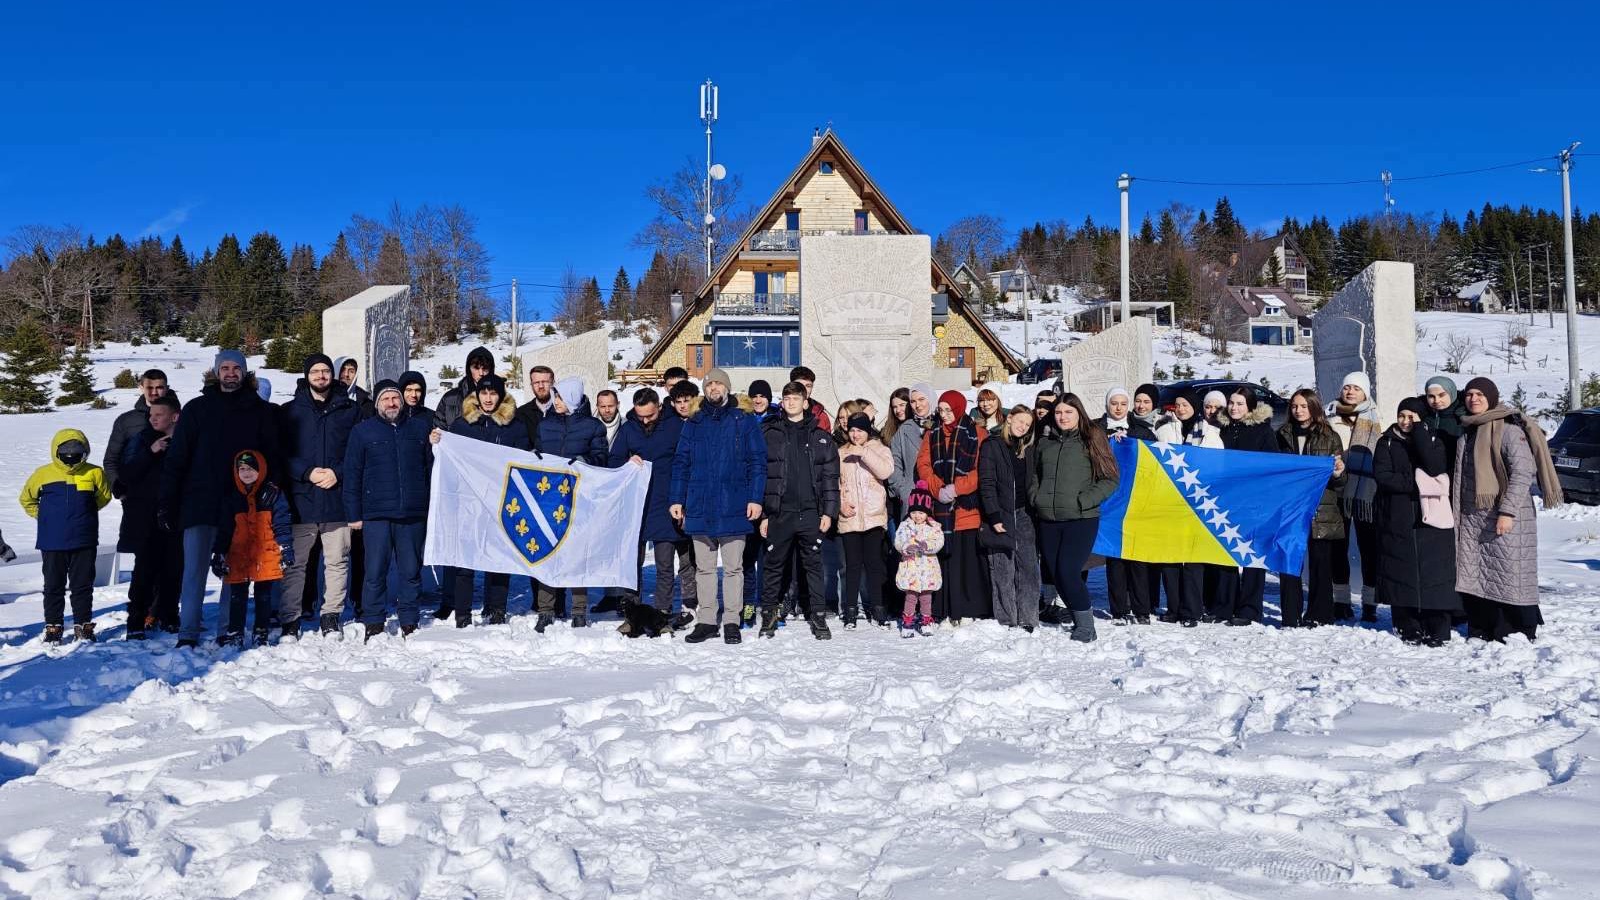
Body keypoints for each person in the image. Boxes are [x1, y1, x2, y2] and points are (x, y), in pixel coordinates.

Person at [160, 350, 281, 649]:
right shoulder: (197, 409)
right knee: (195, 570)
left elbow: (274, 454)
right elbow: (177, 458)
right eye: (224, 368)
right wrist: (167, 501)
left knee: (235, 570)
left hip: (241, 504)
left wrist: (273, 484)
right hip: (199, 501)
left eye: (235, 368)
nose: (230, 373)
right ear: (216, 372)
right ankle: (188, 631)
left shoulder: (259, 410)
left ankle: (228, 628)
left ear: (244, 372)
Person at [1454, 377, 1563, 642]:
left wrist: (1507, 512)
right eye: (1469, 394)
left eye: (1480, 394)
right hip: (1473, 517)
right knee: (1481, 574)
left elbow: (1523, 472)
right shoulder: (1468, 429)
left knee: (1509, 573)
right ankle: (1483, 627)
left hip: (1504, 515)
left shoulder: (1508, 429)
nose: (1474, 399)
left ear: (1491, 397)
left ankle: (1515, 630)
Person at [670, 367, 766, 643]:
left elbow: (757, 462)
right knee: (704, 568)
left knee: (734, 568)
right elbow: (681, 463)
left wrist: (755, 499)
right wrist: (677, 499)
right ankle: (707, 620)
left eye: (718, 384)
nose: (714, 388)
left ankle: (732, 620)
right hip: (699, 503)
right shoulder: (694, 422)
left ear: (726, 388)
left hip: (734, 502)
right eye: (709, 385)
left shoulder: (744, 420)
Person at [432, 373, 528, 626]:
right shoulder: (463, 425)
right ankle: (462, 612)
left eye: (493, 393)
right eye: (483, 393)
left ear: (501, 396)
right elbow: (449, 459)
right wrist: (438, 443)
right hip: (469, 501)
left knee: (498, 555)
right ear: (476, 395)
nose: (488, 398)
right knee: (466, 557)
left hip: (501, 501)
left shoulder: (514, 426)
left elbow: (523, 460)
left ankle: (496, 608)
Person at [344, 380, 434, 642]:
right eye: (386, 399)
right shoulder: (363, 432)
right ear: (377, 404)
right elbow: (352, 474)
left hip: (412, 514)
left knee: (410, 571)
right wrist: (354, 513)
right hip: (376, 515)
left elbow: (431, 468)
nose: (392, 403)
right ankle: (373, 621)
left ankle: (408, 620)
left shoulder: (419, 429)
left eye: (396, 398)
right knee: (374, 571)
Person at [279, 353, 360, 638]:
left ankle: (331, 615)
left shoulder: (349, 410)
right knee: (295, 564)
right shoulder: (289, 411)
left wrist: (338, 473)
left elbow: (356, 451)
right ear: (307, 375)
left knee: (337, 562)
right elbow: (281, 453)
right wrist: (307, 473)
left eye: (326, 371)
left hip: (337, 500)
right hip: (302, 501)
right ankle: (290, 618)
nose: (321, 376)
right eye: (316, 371)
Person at [1030, 395, 1119, 642]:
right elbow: (1036, 475)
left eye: (1068, 412)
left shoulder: (1092, 438)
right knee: (1056, 574)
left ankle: (1086, 626)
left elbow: (1110, 478)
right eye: (1058, 412)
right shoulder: (1045, 442)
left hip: (1081, 519)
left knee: (1068, 571)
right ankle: (1073, 613)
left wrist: (1084, 500)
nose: (1063, 417)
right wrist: (1037, 497)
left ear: (1079, 413)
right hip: (1048, 518)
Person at [756, 381, 840, 640]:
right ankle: (769, 613)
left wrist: (828, 512)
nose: (790, 402)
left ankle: (817, 614)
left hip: (810, 513)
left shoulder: (821, 437)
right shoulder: (769, 433)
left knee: (813, 566)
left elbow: (830, 478)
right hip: (779, 511)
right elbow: (762, 474)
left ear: (806, 402)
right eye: (786, 398)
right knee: (773, 565)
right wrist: (764, 513)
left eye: (795, 398)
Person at [1374, 397, 1461, 645]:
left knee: (1435, 571)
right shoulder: (1386, 442)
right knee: (1401, 569)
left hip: (1432, 516)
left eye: (1412, 416)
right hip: (1397, 514)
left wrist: (1421, 434)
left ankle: (1438, 627)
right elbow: (1383, 475)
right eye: (1402, 415)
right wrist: (1419, 483)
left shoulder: (1435, 439)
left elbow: (1435, 467)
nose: (1405, 421)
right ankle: (1407, 626)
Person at [610, 388, 696, 621]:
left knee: (664, 563)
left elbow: (687, 461)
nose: (645, 420)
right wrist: (628, 460)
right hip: (637, 504)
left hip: (666, 502)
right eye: (641, 416)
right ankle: (632, 607)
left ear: (659, 407)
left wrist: (683, 501)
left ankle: (662, 609)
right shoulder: (629, 428)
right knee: (631, 561)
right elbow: (614, 460)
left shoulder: (676, 426)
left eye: (650, 415)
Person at [20, 429, 112, 644]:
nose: (71, 455)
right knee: (53, 585)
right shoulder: (42, 474)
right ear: (56, 451)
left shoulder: (95, 472)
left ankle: (83, 625)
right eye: (66, 450)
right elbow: (27, 499)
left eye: (76, 450)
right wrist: (44, 518)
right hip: (52, 541)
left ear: (85, 451)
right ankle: (54, 626)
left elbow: (104, 496)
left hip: (84, 539)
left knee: (82, 585)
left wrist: (85, 514)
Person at [533, 377, 607, 631]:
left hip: (579, 500)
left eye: (561, 397)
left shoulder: (593, 427)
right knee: (548, 552)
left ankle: (578, 609)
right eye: (555, 396)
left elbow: (601, 459)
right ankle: (546, 609)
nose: (556, 401)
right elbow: (537, 454)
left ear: (573, 399)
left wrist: (583, 460)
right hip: (550, 498)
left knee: (576, 554)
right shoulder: (545, 425)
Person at [429, 347, 494, 621]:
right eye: (476, 367)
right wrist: (435, 439)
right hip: (456, 483)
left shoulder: (499, 399)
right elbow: (439, 428)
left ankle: (493, 602)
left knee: (491, 541)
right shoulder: (452, 398)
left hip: (488, 482)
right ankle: (450, 600)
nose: (481, 372)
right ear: (469, 368)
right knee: (454, 541)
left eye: (485, 367)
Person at [1275, 390, 1347, 629]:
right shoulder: (1282, 435)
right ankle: (1290, 613)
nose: (1298, 410)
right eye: (1294, 406)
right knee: (1289, 560)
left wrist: (1338, 472)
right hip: (1290, 508)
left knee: (1320, 564)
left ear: (1314, 408)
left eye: (1304, 406)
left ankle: (1320, 613)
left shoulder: (1330, 437)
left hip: (1321, 508)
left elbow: (1340, 481)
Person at [917, 390, 988, 623]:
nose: (945, 415)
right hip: (941, 509)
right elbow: (924, 464)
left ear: (959, 409)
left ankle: (969, 608)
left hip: (967, 508)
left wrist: (957, 489)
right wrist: (938, 489)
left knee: (966, 561)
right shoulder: (932, 433)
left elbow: (982, 469)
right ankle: (943, 608)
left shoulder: (977, 434)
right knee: (946, 560)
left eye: (949, 410)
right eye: (941, 410)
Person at [117, 393, 184, 637]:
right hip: (146, 518)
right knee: (144, 570)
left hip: (176, 516)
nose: (153, 419)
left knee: (174, 569)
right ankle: (136, 620)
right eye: (151, 415)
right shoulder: (142, 440)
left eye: (159, 415)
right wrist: (151, 452)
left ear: (174, 417)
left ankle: (169, 615)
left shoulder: (187, 441)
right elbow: (126, 474)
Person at [210, 450, 292, 646]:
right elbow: (225, 528)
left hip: (266, 553)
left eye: (251, 469)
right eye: (242, 469)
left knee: (263, 596)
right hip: (238, 555)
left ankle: (261, 631)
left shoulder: (273, 494)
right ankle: (235, 631)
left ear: (261, 469)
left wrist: (286, 547)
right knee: (237, 596)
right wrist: (219, 553)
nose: (246, 473)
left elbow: (282, 523)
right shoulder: (232, 496)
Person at [1214, 389, 1279, 625]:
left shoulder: (1263, 431)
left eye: (1240, 404)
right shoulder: (1221, 429)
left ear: (1250, 407)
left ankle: (1249, 609)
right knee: (1225, 550)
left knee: (1252, 554)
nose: (1234, 408)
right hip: (1226, 499)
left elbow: (1273, 465)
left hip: (1254, 501)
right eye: (1231, 403)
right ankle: (1223, 606)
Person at [1100, 386, 1159, 625]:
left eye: (1123, 403)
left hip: (1137, 501)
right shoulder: (1096, 430)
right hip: (1110, 502)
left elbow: (1154, 463)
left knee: (1137, 559)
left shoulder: (1141, 431)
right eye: (1114, 403)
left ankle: (1141, 609)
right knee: (1115, 558)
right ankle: (1118, 609)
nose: (1118, 407)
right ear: (1107, 405)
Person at [980, 405, 1041, 631]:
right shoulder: (992, 445)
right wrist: (993, 515)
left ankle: (1028, 618)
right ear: (1009, 418)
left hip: (1024, 514)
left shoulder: (1027, 447)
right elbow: (986, 482)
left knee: (1028, 568)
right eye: (1020, 421)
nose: (1022, 427)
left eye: (1027, 425)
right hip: (1001, 513)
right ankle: (1007, 618)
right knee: (1003, 570)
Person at [1329, 372, 1383, 623]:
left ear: (1366, 393)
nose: (1350, 392)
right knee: (1337, 547)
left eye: (1356, 388)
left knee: (1368, 549)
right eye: (1347, 387)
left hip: (1365, 495)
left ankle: (1370, 602)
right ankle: (1340, 600)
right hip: (1337, 489)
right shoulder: (1330, 419)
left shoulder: (1376, 419)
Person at [836, 412, 894, 627]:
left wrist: (864, 453)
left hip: (873, 517)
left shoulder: (879, 449)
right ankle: (850, 609)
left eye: (859, 430)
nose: (855, 434)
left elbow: (886, 471)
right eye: (851, 430)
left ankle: (878, 607)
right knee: (852, 565)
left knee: (874, 564)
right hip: (850, 517)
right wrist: (841, 503)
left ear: (867, 430)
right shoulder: (841, 453)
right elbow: (834, 482)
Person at [738, 379, 779, 626]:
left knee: (771, 559)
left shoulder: (777, 422)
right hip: (748, 498)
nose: (758, 399)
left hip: (773, 495)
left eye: (762, 395)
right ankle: (748, 605)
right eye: (754, 395)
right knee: (747, 558)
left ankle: (770, 605)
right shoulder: (743, 421)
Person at [103, 369, 175, 494]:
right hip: (136, 498)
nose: (154, 392)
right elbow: (111, 460)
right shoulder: (126, 421)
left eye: (159, 387)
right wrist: (119, 488)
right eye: (149, 388)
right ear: (141, 388)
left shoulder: (181, 418)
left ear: (167, 388)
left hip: (173, 497)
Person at [894, 482, 944, 637]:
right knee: (910, 597)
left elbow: (939, 542)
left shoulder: (933, 527)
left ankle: (925, 621)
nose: (917, 515)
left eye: (921, 513)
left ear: (927, 513)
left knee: (926, 598)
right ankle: (908, 622)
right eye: (914, 512)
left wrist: (927, 546)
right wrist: (905, 547)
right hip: (911, 568)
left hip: (927, 570)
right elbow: (898, 541)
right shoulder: (904, 526)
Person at [889, 383, 935, 510]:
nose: (917, 405)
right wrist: (903, 491)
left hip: (939, 496)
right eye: (913, 401)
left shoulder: (942, 425)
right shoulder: (904, 429)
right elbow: (895, 463)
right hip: (913, 497)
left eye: (921, 399)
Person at [1423, 376, 1465, 464]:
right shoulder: (1423, 414)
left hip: (1455, 470)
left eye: (1441, 395)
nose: (1436, 400)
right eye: (1431, 396)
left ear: (1452, 393)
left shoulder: (1463, 416)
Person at [788, 366, 832, 431]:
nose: (804, 389)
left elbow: (827, 440)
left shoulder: (821, 417)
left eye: (808, 386)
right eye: (800, 385)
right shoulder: (778, 413)